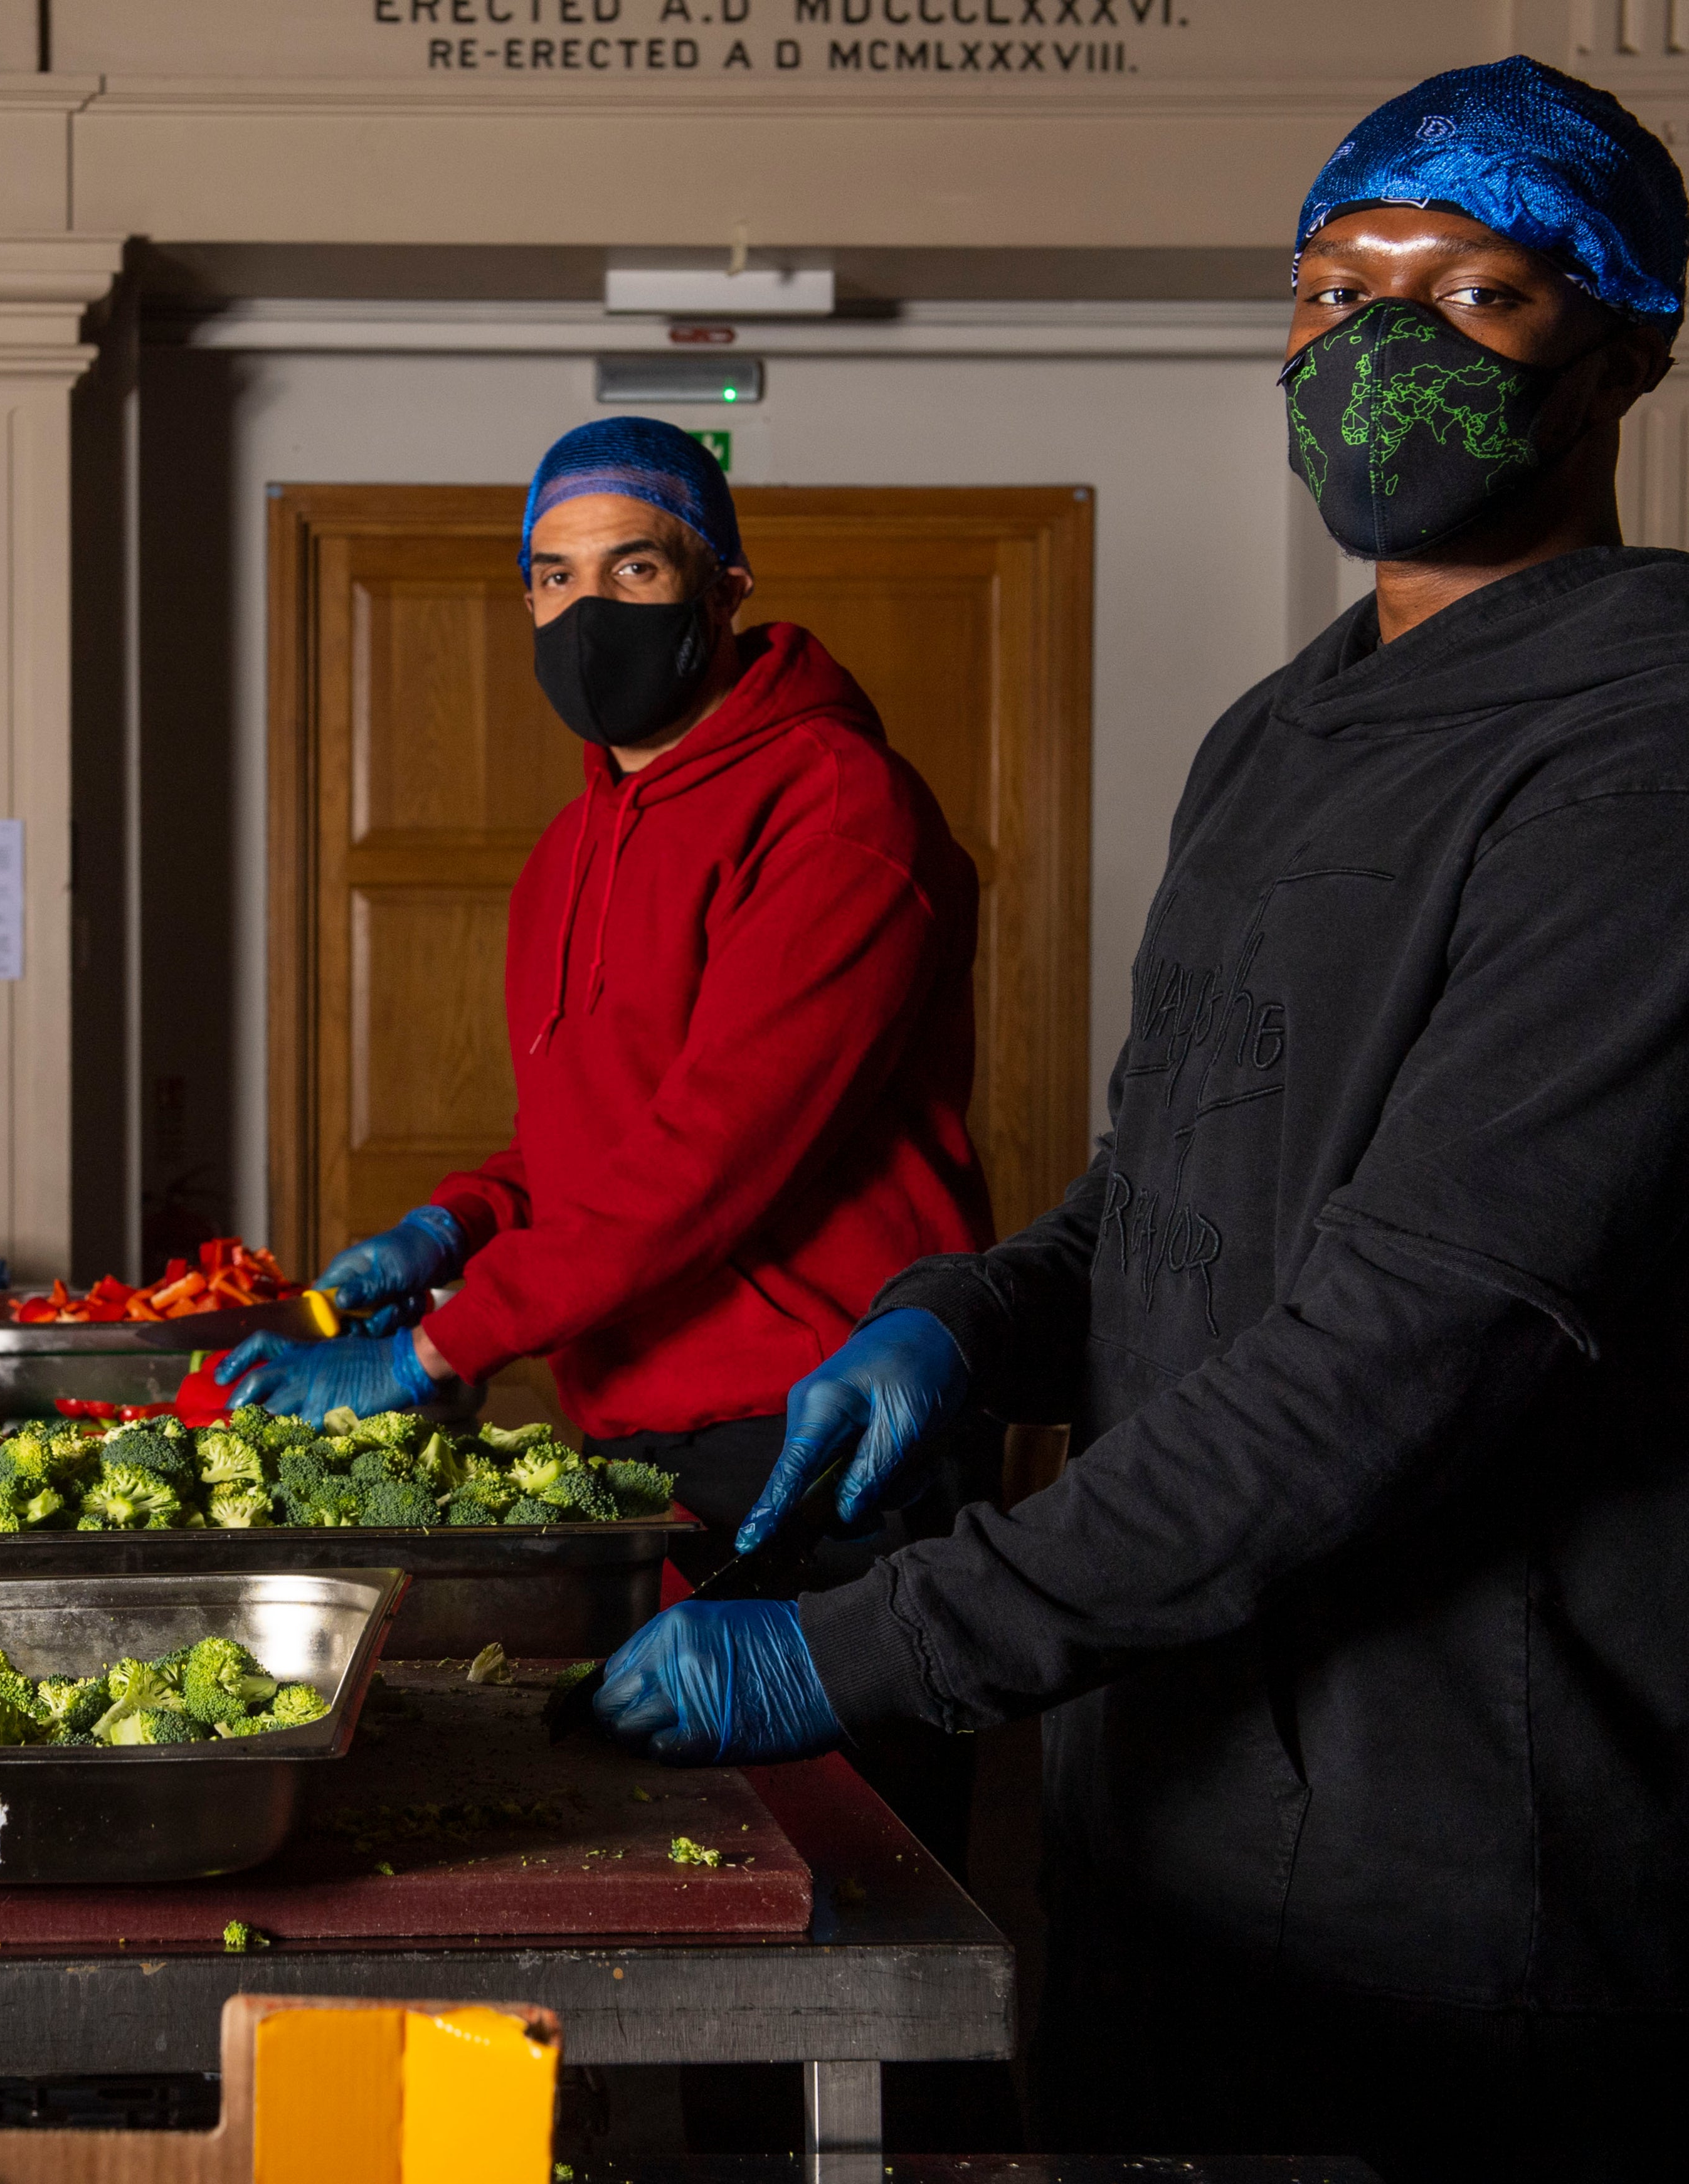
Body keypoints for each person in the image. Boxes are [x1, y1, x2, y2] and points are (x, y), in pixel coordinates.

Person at [587, 60, 1689, 2183]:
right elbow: (1164, 1192)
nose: (1376, 340)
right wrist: (959, 1318)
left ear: (1626, 344)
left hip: (1469, 1884)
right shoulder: (1270, 738)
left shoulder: (1639, 750)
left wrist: (867, 1647)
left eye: (1473, 294)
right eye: (1329, 286)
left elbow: (1414, 1336)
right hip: (1156, 1812)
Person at [221, 418, 995, 1853]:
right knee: (702, 1891)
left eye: (631, 567)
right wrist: (452, 1226)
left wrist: (439, 1348)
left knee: (862, 1914)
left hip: (824, 1443)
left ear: (723, 588)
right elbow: (589, 1142)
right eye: (551, 577)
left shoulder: (836, 808)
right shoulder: (566, 853)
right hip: (645, 1446)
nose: (586, 614)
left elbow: (710, 1154)